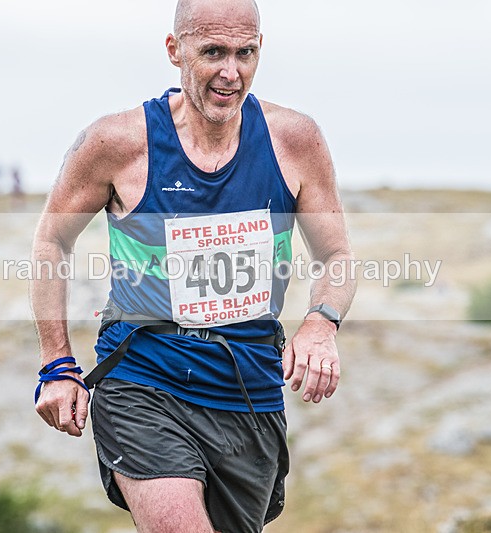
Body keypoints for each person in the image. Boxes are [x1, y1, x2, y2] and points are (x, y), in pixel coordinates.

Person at [30, 0, 356, 531]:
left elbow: (337, 256)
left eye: (244, 53)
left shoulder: (294, 139)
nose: (231, 72)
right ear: (174, 50)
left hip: (247, 389)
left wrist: (320, 324)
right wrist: (57, 365)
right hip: (143, 379)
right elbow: (50, 243)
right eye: (212, 53)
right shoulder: (117, 143)